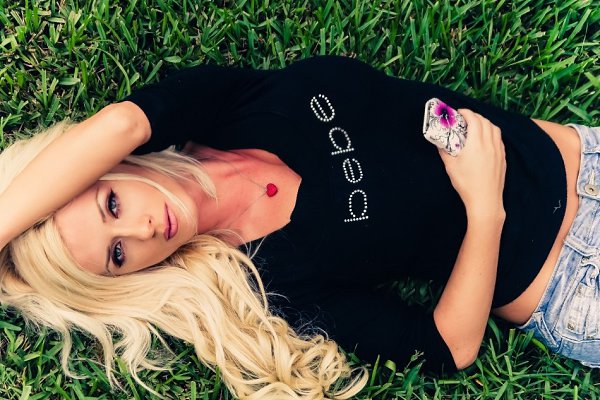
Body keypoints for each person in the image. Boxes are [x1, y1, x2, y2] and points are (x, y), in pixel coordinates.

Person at [0, 55, 595, 399]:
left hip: (583, 152)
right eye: (118, 255)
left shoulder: (224, 106)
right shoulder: (268, 279)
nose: (143, 230)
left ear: (113, 164)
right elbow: (449, 346)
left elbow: (120, 123)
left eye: (111, 204)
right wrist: (485, 208)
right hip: (570, 281)